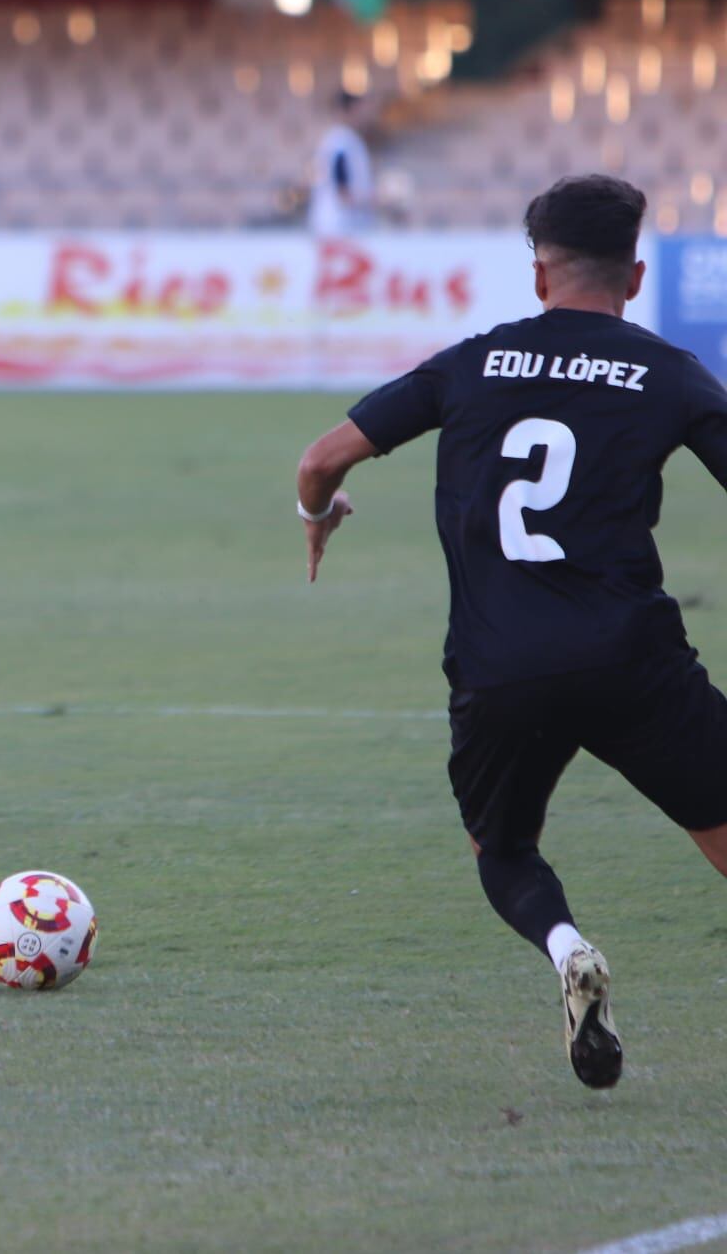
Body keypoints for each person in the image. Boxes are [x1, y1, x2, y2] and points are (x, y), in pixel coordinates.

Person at [296, 173, 727, 1091]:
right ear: (637, 276)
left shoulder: (472, 362)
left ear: (539, 276)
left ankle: (567, 945)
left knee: (505, 850)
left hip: (500, 668)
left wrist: (319, 508)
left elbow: (321, 457)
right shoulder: (668, 372)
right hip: (631, 657)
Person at [309, 89, 374, 237]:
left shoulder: (336, 140)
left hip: (337, 223)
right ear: (350, 110)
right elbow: (342, 190)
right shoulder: (342, 142)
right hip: (340, 224)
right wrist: (373, 200)